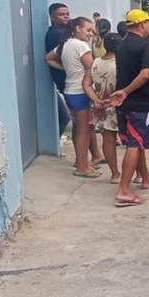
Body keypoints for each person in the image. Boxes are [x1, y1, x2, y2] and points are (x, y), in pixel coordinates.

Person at [109, 9, 149, 207]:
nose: (148, 27)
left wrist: (123, 92)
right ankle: (124, 189)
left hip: (124, 104)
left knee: (136, 142)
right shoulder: (146, 47)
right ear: (141, 24)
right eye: (147, 23)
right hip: (138, 101)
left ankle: (145, 177)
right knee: (135, 145)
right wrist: (127, 91)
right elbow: (145, 75)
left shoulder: (121, 46)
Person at [45, 17, 100, 178]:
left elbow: (48, 58)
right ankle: (82, 167)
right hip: (81, 91)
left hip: (70, 90)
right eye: (88, 30)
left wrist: (67, 68)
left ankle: (81, 162)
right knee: (85, 130)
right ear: (77, 29)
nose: (91, 34)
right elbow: (93, 69)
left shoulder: (65, 44)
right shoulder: (81, 46)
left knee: (80, 128)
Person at [83, 33, 122, 183]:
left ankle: (114, 174)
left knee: (108, 140)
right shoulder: (120, 63)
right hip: (117, 105)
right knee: (132, 142)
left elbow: (86, 83)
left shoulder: (95, 62)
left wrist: (95, 99)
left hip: (100, 106)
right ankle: (138, 174)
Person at [45, 3, 72, 137]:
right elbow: (52, 58)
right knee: (75, 120)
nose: (66, 17)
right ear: (52, 17)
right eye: (61, 14)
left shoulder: (59, 33)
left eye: (67, 14)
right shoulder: (57, 34)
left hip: (63, 82)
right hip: (66, 82)